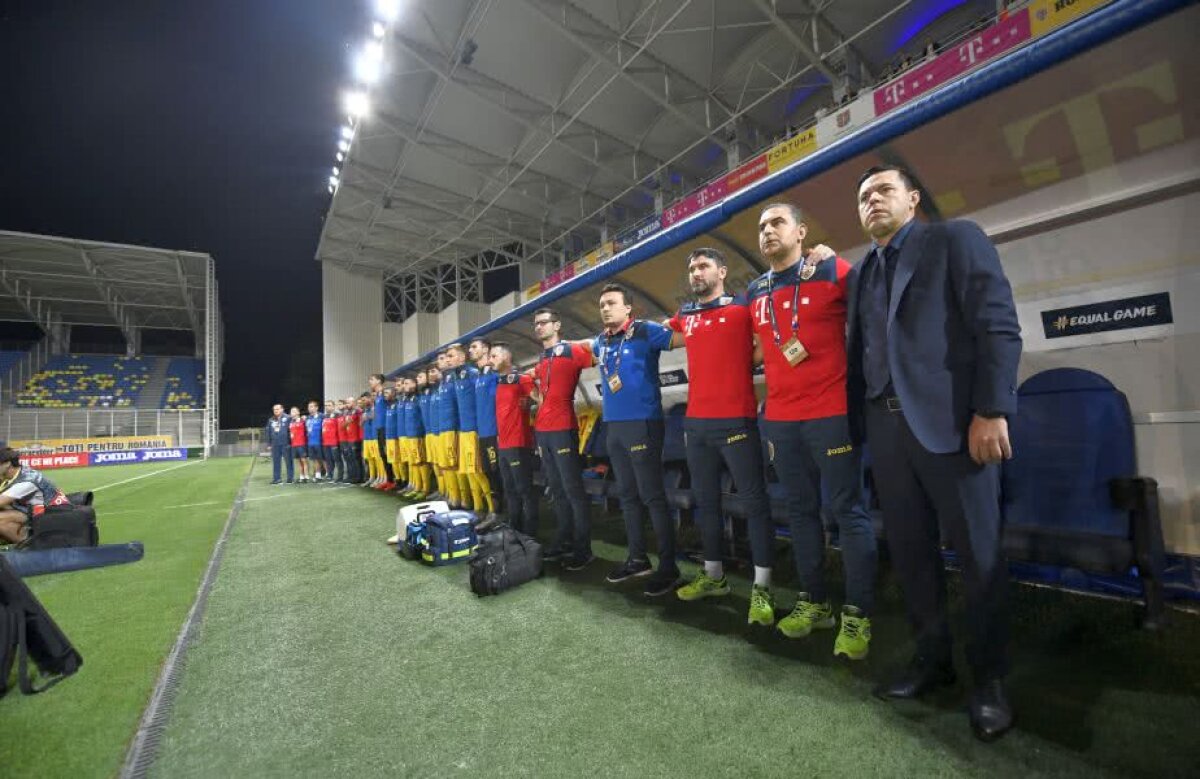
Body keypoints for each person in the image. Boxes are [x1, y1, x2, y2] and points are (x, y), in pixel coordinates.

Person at [847, 165, 1020, 741]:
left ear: (914, 199)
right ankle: (932, 662)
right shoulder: (862, 273)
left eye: (884, 191)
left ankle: (990, 681)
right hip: (887, 433)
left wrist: (991, 409)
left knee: (978, 559)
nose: (873, 202)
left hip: (954, 427)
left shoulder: (955, 239)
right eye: (864, 197)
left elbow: (996, 324)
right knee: (914, 559)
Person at [745, 201, 877, 660]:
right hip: (780, 419)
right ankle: (815, 603)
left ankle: (857, 613)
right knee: (800, 511)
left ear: (801, 232)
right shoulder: (755, 289)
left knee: (847, 511)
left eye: (777, 222)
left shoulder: (831, 268)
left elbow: (872, 309)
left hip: (831, 411)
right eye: (761, 226)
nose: (767, 231)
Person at [666, 248, 773, 614]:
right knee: (706, 502)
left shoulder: (743, 308)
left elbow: (765, 345)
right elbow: (657, 333)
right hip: (695, 424)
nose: (696, 272)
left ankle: (763, 588)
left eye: (703, 266)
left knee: (754, 504)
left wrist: (743, 363)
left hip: (736, 421)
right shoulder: (686, 315)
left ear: (722, 271)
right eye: (692, 267)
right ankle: (714, 576)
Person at [583, 283, 680, 596]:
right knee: (627, 495)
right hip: (614, 426)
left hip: (643, 423)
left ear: (628, 308)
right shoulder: (601, 341)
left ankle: (669, 567)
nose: (605, 308)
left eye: (611, 302)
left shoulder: (645, 331)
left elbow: (682, 338)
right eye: (602, 304)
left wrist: (681, 317)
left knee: (652, 495)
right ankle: (637, 558)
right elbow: (581, 347)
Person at [529, 307, 593, 569]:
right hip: (542, 431)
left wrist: (577, 343)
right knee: (556, 489)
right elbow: (539, 391)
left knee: (573, 490)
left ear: (557, 325)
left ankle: (583, 548)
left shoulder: (571, 351)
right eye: (536, 324)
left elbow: (600, 351)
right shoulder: (541, 360)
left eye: (543, 323)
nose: (539, 327)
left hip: (563, 429)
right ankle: (564, 538)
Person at [489, 341, 538, 536]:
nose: (490, 360)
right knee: (509, 490)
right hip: (503, 445)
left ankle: (530, 533)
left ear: (507, 357)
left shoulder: (521, 379)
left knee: (524, 490)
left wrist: (533, 419)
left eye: (494, 356)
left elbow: (541, 400)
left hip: (519, 443)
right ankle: (514, 528)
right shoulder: (499, 382)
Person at [447, 343, 493, 515]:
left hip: (475, 429)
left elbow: (482, 400)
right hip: (463, 430)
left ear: (461, 357)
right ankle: (476, 506)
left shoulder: (473, 374)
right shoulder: (456, 376)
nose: (448, 360)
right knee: (469, 471)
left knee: (478, 470)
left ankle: (491, 507)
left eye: (451, 356)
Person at [0, 447, 72, 544]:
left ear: (7, 464)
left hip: (50, 515)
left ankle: (28, 545)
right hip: (34, 510)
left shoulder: (26, 482)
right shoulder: (15, 473)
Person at [470, 337, 503, 528]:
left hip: (493, 433)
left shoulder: (494, 374)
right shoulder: (480, 377)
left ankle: (500, 514)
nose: (471, 351)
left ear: (486, 349)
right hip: (482, 433)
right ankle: (493, 512)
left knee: (497, 473)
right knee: (489, 473)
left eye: (475, 347)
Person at [433, 354, 464, 508]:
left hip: (453, 427)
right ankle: (451, 495)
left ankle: (463, 499)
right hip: (442, 428)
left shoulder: (455, 376)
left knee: (455, 464)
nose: (441, 361)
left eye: (444, 357)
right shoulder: (443, 381)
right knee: (445, 465)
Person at [399, 375, 430, 499]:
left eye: (407, 383)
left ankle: (425, 488)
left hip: (418, 434)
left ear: (414, 384)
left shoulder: (418, 398)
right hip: (409, 435)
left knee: (420, 461)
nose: (404, 386)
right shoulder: (408, 399)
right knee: (414, 462)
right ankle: (417, 486)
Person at [369, 373, 395, 489]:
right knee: (383, 455)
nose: (370, 382)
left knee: (388, 454)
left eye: (372, 379)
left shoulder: (385, 393)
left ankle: (394, 480)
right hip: (379, 428)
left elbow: (392, 401)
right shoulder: (377, 396)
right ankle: (389, 479)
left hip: (386, 427)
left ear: (379, 381)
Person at [264, 403, 294, 484]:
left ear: (282, 409)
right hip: (275, 444)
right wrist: (269, 444)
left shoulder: (288, 418)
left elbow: (292, 431)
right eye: (274, 409)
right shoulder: (271, 420)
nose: (276, 411)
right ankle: (277, 479)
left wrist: (291, 442)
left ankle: (290, 478)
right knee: (276, 462)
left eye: (277, 409)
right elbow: (268, 432)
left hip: (286, 443)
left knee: (288, 461)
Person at [338, 397, 362, 484]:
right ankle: (352, 476)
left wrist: (347, 422)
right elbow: (344, 425)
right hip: (349, 438)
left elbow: (348, 422)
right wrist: (346, 422)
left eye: (349, 403)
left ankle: (359, 477)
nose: (348, 404)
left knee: (357, 459)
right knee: (351, 458)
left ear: (354, 403)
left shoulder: (357, 411)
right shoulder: (347, 412)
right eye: (347, 403)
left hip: (355, 438)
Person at [322, 400, 343, 482]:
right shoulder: (324, 416)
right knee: (328, 460)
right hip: (326, 442)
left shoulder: (337, 415)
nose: (327, 407)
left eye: (329, 405)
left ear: (333, 406)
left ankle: (340, 476)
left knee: (337, 460)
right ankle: (330, 475)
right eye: (326, 405)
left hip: (334, 441)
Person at [305, 400, 325, 481]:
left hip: (320, 441)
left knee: (323, 459)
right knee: (314, 459)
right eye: (309, 407)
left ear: (317, 407)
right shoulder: (308, 418)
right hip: (310, 442)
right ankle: (317, 474)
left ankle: (328, 474)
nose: (310, 408)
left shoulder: (322, 416)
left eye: (312, 406)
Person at [288, 406, 309, 483]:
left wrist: (305, 418)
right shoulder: (291, 422)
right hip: (294, 445)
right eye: (291, 411)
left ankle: (306, 477)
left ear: (298, 412)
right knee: (298, 462)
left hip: (302, 444)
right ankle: (301, 477)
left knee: (304, 460)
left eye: (294, 411)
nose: (292, 413)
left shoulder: (303, 421)